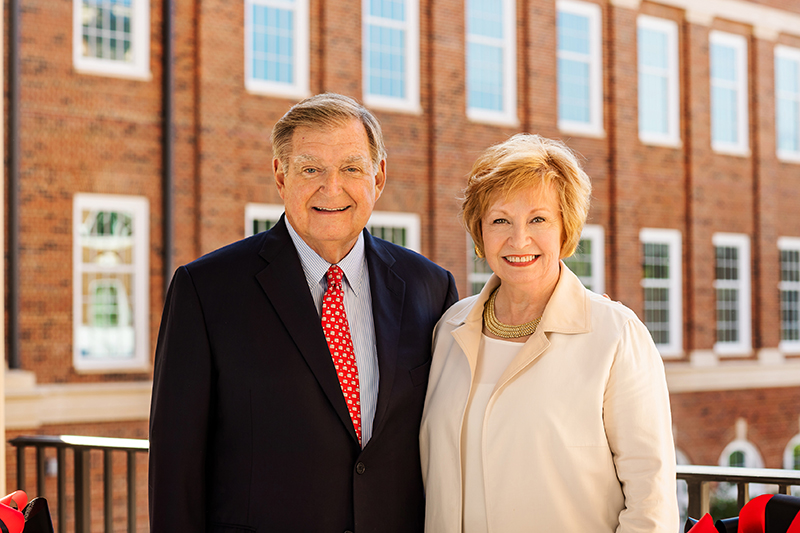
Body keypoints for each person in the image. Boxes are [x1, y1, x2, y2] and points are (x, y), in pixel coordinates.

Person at [149, 93, 458, 532]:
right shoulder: (206, 290)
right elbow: (175, 467)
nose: (332, 188)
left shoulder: (430, 286)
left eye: (351, 168)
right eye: (311, 169)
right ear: (280, 174)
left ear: (379, 176)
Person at [420, 133, 678, 532]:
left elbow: (652, 505)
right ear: (480, 231)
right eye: (500, 220)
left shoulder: (615, 335)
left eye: (538, 219)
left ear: (565, 228)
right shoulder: (448, 329)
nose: (518, 239)